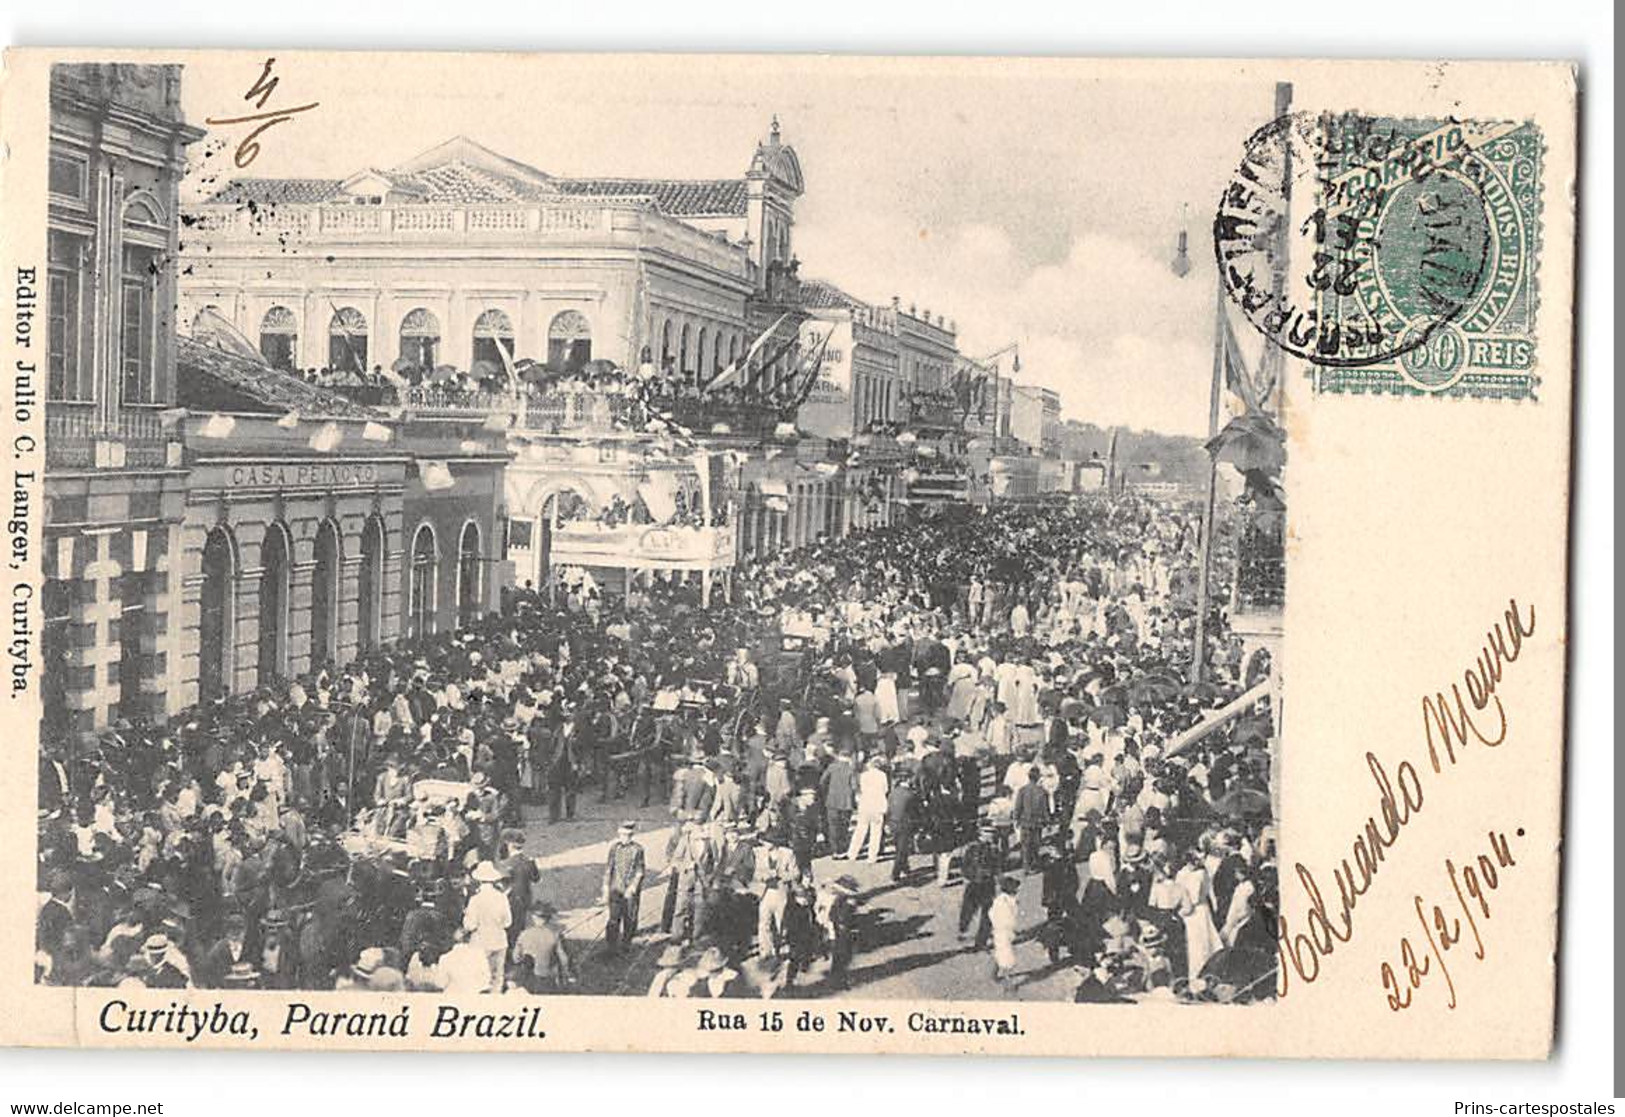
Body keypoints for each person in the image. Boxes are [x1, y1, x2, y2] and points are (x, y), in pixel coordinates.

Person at [463, 860, 512, 992]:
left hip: (481, 942)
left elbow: (470, 925)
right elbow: (508, 922)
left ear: (479, 880)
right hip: (499, 940)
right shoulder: (502, 898)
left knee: (480, 978)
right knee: (497, 977)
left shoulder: (475, 900)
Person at [602, 820, 646, 955]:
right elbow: (609, 868)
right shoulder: (614, 848)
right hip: (616, 888)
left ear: (631, 835)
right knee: (613, 918)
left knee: (629, 917)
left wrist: (632, 888)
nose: (624, 838)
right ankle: (611, 947)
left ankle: (626, 944)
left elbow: (640, 871)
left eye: (626, 836)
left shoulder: (637, 849)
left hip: (630, 891)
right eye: (621, 835)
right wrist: (605, 888)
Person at [513, 903, 573, 992]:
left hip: (527, 980)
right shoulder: (554, 935)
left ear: (533, 917)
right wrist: (566, 974)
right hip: (546, 978)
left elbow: (516, 958)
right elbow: (563, 959)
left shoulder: (524, 934)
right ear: (548, 919)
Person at [845, 758, 888, 863]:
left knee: (860, 829)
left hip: (865, 804)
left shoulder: (864, 775)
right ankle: (872, 856)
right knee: (876, 832)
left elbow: (862, 789)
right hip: (878, 804)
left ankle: (852, 853)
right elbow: (885, 789)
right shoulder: (883, 775)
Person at [989, 876, 1021, 988]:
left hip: (1005, 932)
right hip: (1002, 932)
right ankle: (1008, 983)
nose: (1017, 890)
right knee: (1007, 957)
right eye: (1015, 888)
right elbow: (998, 916)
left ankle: (994, 974)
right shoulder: (1002, 902)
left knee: (1001, 953)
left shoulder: (1008, 899)